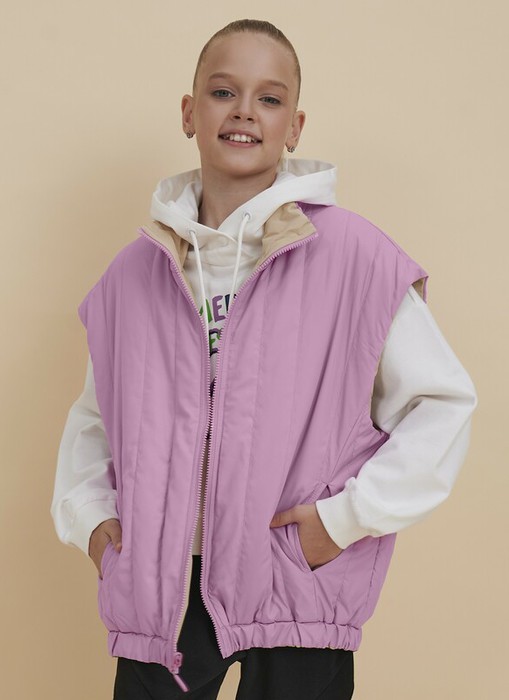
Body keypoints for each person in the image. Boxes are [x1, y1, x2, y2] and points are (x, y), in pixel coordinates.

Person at [50, 18, 478, 700]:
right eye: (223, 91)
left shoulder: (357, 259)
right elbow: (97, 420)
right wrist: (95, 525)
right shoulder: (132, 276)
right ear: (189, 113)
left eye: (269, 98)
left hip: (294, 574)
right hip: (161, 590)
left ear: (294, 126)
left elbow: (441, 406)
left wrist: (343, 521)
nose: (245, 110)